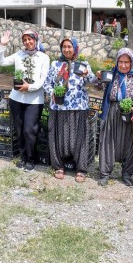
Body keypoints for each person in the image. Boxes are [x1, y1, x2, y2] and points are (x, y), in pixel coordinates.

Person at [43, 38, 96, 182]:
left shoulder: (83, 64)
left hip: (79, 107)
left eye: (69, 47)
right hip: (59, 107)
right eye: (64, 47)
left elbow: (92, 81)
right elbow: (47, 83)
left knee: (79, 139)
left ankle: (81, 169)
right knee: (58, 138)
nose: (66, 49)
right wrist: (53, 92)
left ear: (75, 48)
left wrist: (87, 74)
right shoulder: (55, 64)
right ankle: (59, 166)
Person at [0, 29, 50, 172]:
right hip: (16, 98)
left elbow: (43, 79)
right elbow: (1, 62)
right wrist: (2, 45)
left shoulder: (43, 57)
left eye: (30, 39)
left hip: (34, 100)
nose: (27, 42)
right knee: (20, 130)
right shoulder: (19, 55)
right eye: (25, 40)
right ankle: (23, 157)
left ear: (35, 39)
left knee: (29, 131)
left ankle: (32, 159)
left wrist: (29, 87)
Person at [97, 48, 133, 187]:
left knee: (130, 143)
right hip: (112, 110)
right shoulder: (111, 73)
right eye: (121, 62)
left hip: (131, 111)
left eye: (127, 62)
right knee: (108, 141)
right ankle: (105, 173)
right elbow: (98, 87)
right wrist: (98, 78)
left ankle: (127, 174)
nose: (123, 65)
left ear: (132, 62)